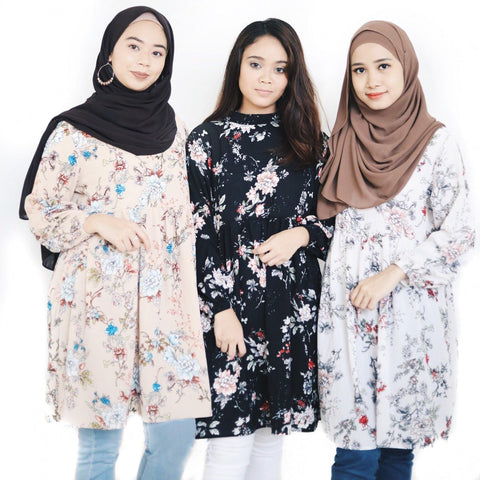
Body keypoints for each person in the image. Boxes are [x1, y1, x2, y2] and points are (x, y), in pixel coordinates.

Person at [19, 6, 211, 480]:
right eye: (133, 46)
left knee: (175, 439)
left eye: (158, 52)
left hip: (165, 304)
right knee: (100, 450)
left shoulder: (176, 130)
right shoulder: (74, 130)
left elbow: (188, 215)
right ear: (109, 52)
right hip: (99, 304)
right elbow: (40, 211)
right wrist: (97, 220)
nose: (145, 60)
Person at [316, 20, 475, 480]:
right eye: (359, 70)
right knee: (355, 455)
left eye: (383, 66)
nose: (371, 80)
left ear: (406, 67)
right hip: (348, 315)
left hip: (410, 316)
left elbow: (461, 232)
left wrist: (394, 272)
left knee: (396, 451)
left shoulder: (437, 143)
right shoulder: (340, 140)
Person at [186, 18, 334, 480]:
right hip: (229, 310)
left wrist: (301, 235)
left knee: (271, 444)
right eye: (256, 64)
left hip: (290, 306)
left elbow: (341, 224)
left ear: (292, 76)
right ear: (238, 66)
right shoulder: (205, 141)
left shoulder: (313, 143)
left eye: (280, 68)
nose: (266, 78)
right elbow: (196, 231)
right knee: (227, 447)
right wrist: (219, 309)